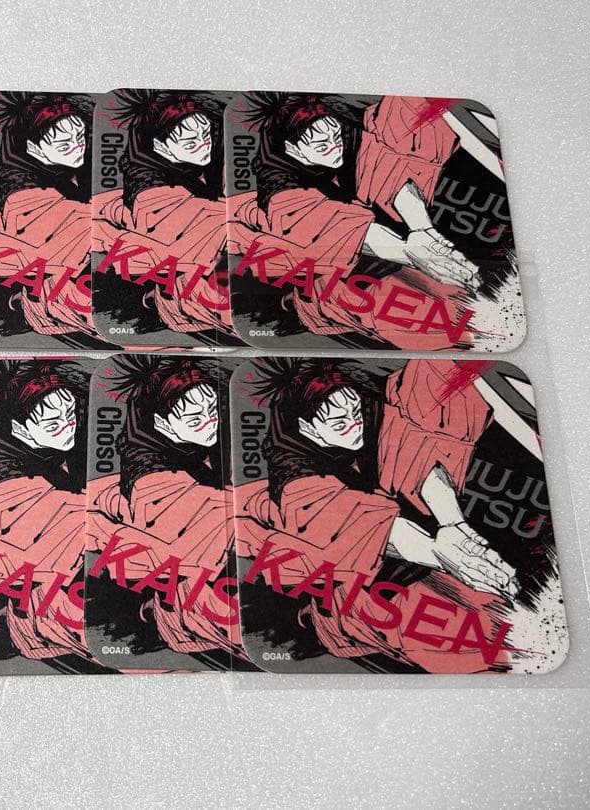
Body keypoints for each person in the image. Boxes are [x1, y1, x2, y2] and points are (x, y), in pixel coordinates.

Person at [235, 358, 519, 672]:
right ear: (308, 428)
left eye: (354, 414)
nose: (354, 425)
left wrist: (454, 523)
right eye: (340, 424)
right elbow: (359, 524)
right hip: (354, 566)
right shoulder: (295, 477)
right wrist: (441, 553)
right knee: (471, 642)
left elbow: (417, 455)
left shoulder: (363, 411)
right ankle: (329, 623)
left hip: (401, 539)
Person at [229, 93, 483, 349]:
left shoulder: (343, 136)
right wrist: (412, 251)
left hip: (370, 252)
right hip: (329, 273)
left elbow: (389, 173)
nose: (335, 147)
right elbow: (340, 228)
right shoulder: (282, 193)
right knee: (437, 319)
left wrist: (423, 229)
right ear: (293, 149)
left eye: (335, 138)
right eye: (322, 146)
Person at [86, 356, 248, 663]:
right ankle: (185, 606)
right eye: (195, 418)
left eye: (212, 413)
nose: (211, 422)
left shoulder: (205, 450)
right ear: (162, 423)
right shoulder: (154, 474)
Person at [0, 360, 100, 664]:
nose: (68, 426)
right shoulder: (9, 480)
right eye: (52, 423)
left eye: (70, 416)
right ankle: (36, 614)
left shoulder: (61, 452)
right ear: (18, 428)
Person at [91, 90, 237, 341]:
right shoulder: (156, 190)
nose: (204, 145)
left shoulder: (198, 174)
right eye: (190, 141)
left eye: (205, 136)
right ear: (160, 145)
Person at [0, 92, 100, 341]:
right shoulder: (25, 190)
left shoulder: (72, 172)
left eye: (80, 138)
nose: (77, 147)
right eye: (64, 144)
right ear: (34, 148)